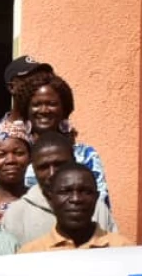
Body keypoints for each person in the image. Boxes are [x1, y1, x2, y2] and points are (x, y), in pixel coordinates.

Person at [14, 71, 110, 208]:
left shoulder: (85, 156)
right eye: (36, 104)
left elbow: (101, 204)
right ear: (26, 111)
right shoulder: (15, 155)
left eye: (51, 103)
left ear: (64, 110)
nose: (44, 110)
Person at [1, 132, 116, 246]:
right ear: (33, 169)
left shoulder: (96, 208)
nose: (52, 173)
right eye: (44, 167)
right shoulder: (15, 215)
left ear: (74, 161)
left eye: (59, 164)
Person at [20, 164, 134, 253]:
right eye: (65, 192)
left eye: (85, 191)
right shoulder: (30, 255)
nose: (76, 199)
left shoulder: (123, 250)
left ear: (96, 198)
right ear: (50, 198)